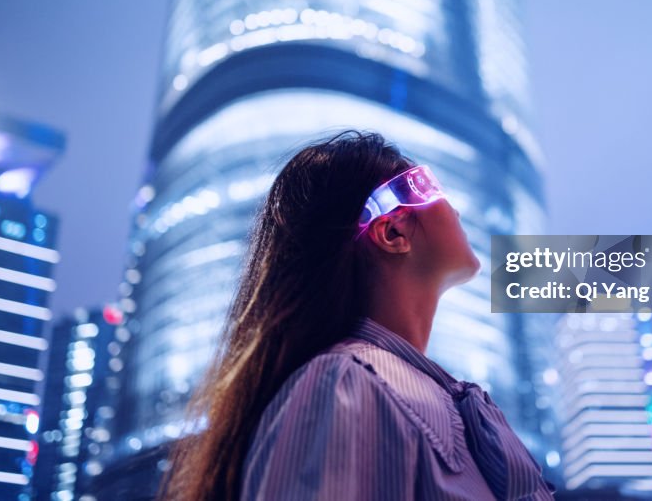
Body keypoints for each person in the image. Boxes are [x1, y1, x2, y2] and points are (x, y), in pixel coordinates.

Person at [160, 131, 554, 500]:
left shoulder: (417, 394)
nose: (452, 206)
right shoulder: (345, 383)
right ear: (392, 233)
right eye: (428, 187)